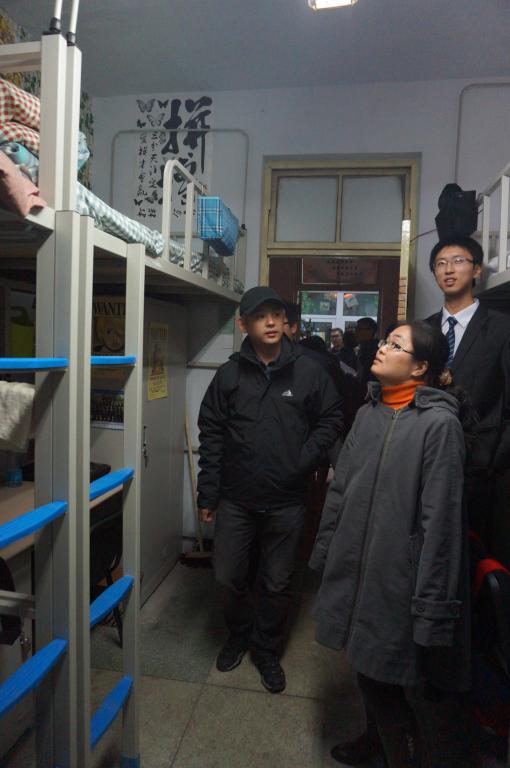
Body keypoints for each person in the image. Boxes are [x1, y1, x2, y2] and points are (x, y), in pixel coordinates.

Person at [310, 320, 477, 768]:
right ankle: (374, 744)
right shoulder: (369, 412)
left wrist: (432, 605)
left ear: (420, 367)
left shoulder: (438, 425)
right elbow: (341, 488)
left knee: (385, 681)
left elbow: (441, 523)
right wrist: (325, 551)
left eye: (395, 344)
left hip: (398, 577)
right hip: (356, 565)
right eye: (385, 340)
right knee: (367, 668)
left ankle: (402, 755)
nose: (382, 348)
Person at [197, 286, 343, 694]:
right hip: (236, 497)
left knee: (278, 582)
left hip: (287, 499)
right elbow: (211, 434)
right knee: (227, 575)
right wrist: (208, 494)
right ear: (243, 324)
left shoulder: (309, 371)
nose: (272, 322)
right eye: (261, 316)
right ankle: (239, 635)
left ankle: (266, 649)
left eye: (277, 314)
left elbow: (332, 418)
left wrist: (303, 458)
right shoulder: (228, 375)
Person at [425, 234, 510, 543]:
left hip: (482, 467)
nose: (448, 269)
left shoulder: (502, 327)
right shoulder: (424, 329)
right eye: (440, 264)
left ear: (476, 270)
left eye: (458, 261)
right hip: (429, 458)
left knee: (475, 551)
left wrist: (494, 461)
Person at [355, 317, 379, 396]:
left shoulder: (375, 352)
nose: (355, 332)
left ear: (370, 330)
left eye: (359, 329)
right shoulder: (362, 348)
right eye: (356, 329)